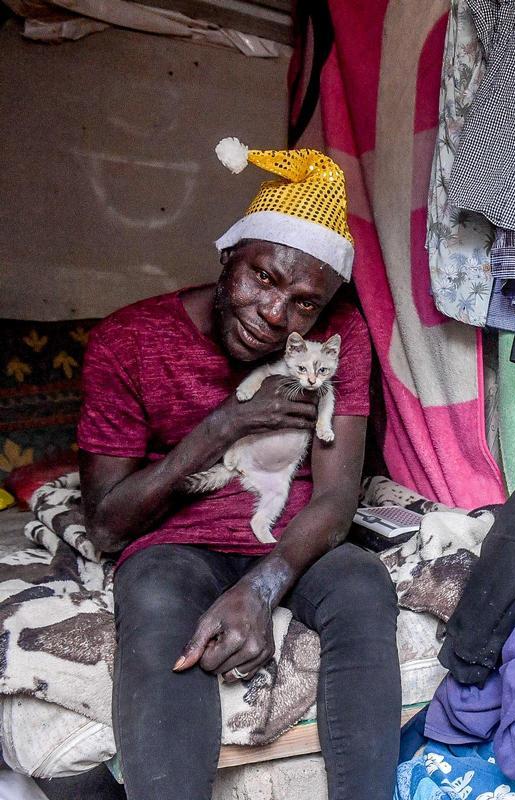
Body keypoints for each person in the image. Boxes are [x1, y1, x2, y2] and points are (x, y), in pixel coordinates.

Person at [77, 139, 403, 799]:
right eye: (263, 278)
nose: (276, 316)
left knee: (364, 584)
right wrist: (226, 424)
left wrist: (261, 589)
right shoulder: (129, 339)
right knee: (156, 603)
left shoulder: (338, 339)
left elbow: (337, 499)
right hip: (174, 548)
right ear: (229, 256)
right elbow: (108, 526)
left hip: (292, 535)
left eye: (305, 303)